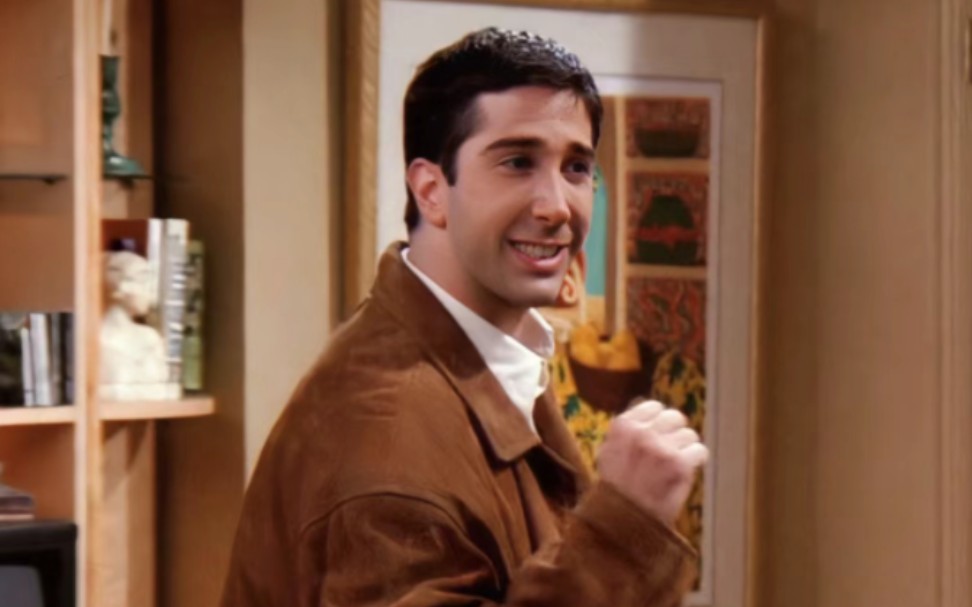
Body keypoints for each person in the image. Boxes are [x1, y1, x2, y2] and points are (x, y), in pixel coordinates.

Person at [221, 27, 707, 606]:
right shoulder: (390, 448)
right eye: (518, 162)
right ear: (430, 191)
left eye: (576, 167)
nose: (557, 206)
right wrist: (624, 533)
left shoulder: (484, 357)